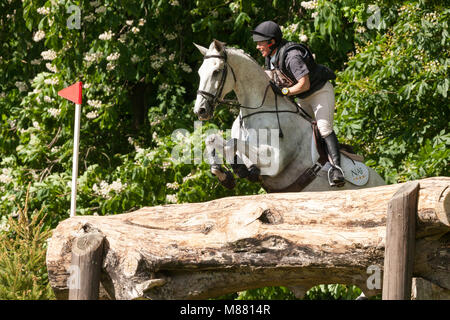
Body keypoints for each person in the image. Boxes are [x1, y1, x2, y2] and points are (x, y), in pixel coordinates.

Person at [251, 20, 345, 187]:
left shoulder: (291, 56)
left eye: (260, 43)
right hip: (302, 97)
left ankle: (337, 168)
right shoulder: (270, 57)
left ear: (272, 42)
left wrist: (285, 92)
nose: (258, 46)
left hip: (319, 92)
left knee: (323, 128)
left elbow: (304, 84)